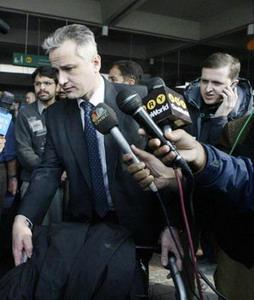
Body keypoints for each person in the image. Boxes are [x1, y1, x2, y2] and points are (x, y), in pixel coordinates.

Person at [12, 24, 162, 296]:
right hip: (84, 225)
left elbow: (169, 171)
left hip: (136, 223)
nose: (61, 80)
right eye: (56, 71)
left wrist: (171, 226)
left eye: (69, 69)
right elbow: (47, 170)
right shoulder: (57, 115)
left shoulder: (137, 100)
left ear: (95, 63)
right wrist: (24, 218)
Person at [124, 129, 254, 299]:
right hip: (239, 256)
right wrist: (177, 180)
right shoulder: (238, 128)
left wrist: (204, 157)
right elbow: (229, 192)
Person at [15, 66, 64, 224]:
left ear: (57, 86)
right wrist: (50, 171)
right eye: (37, 84)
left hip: (63, 183)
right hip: (33, 181)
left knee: (59, 230)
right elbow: (24, 150)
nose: (41, 87)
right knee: (32, 230)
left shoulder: (67, 112)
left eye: (47, 83)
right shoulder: (25, 113)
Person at [184, 52, 253, 145]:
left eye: (217, 83)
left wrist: (220, 118)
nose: (208, 89)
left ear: (233, 84)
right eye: (204, 81)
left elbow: (223, 155)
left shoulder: (247, 117)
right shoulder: (186, 101)